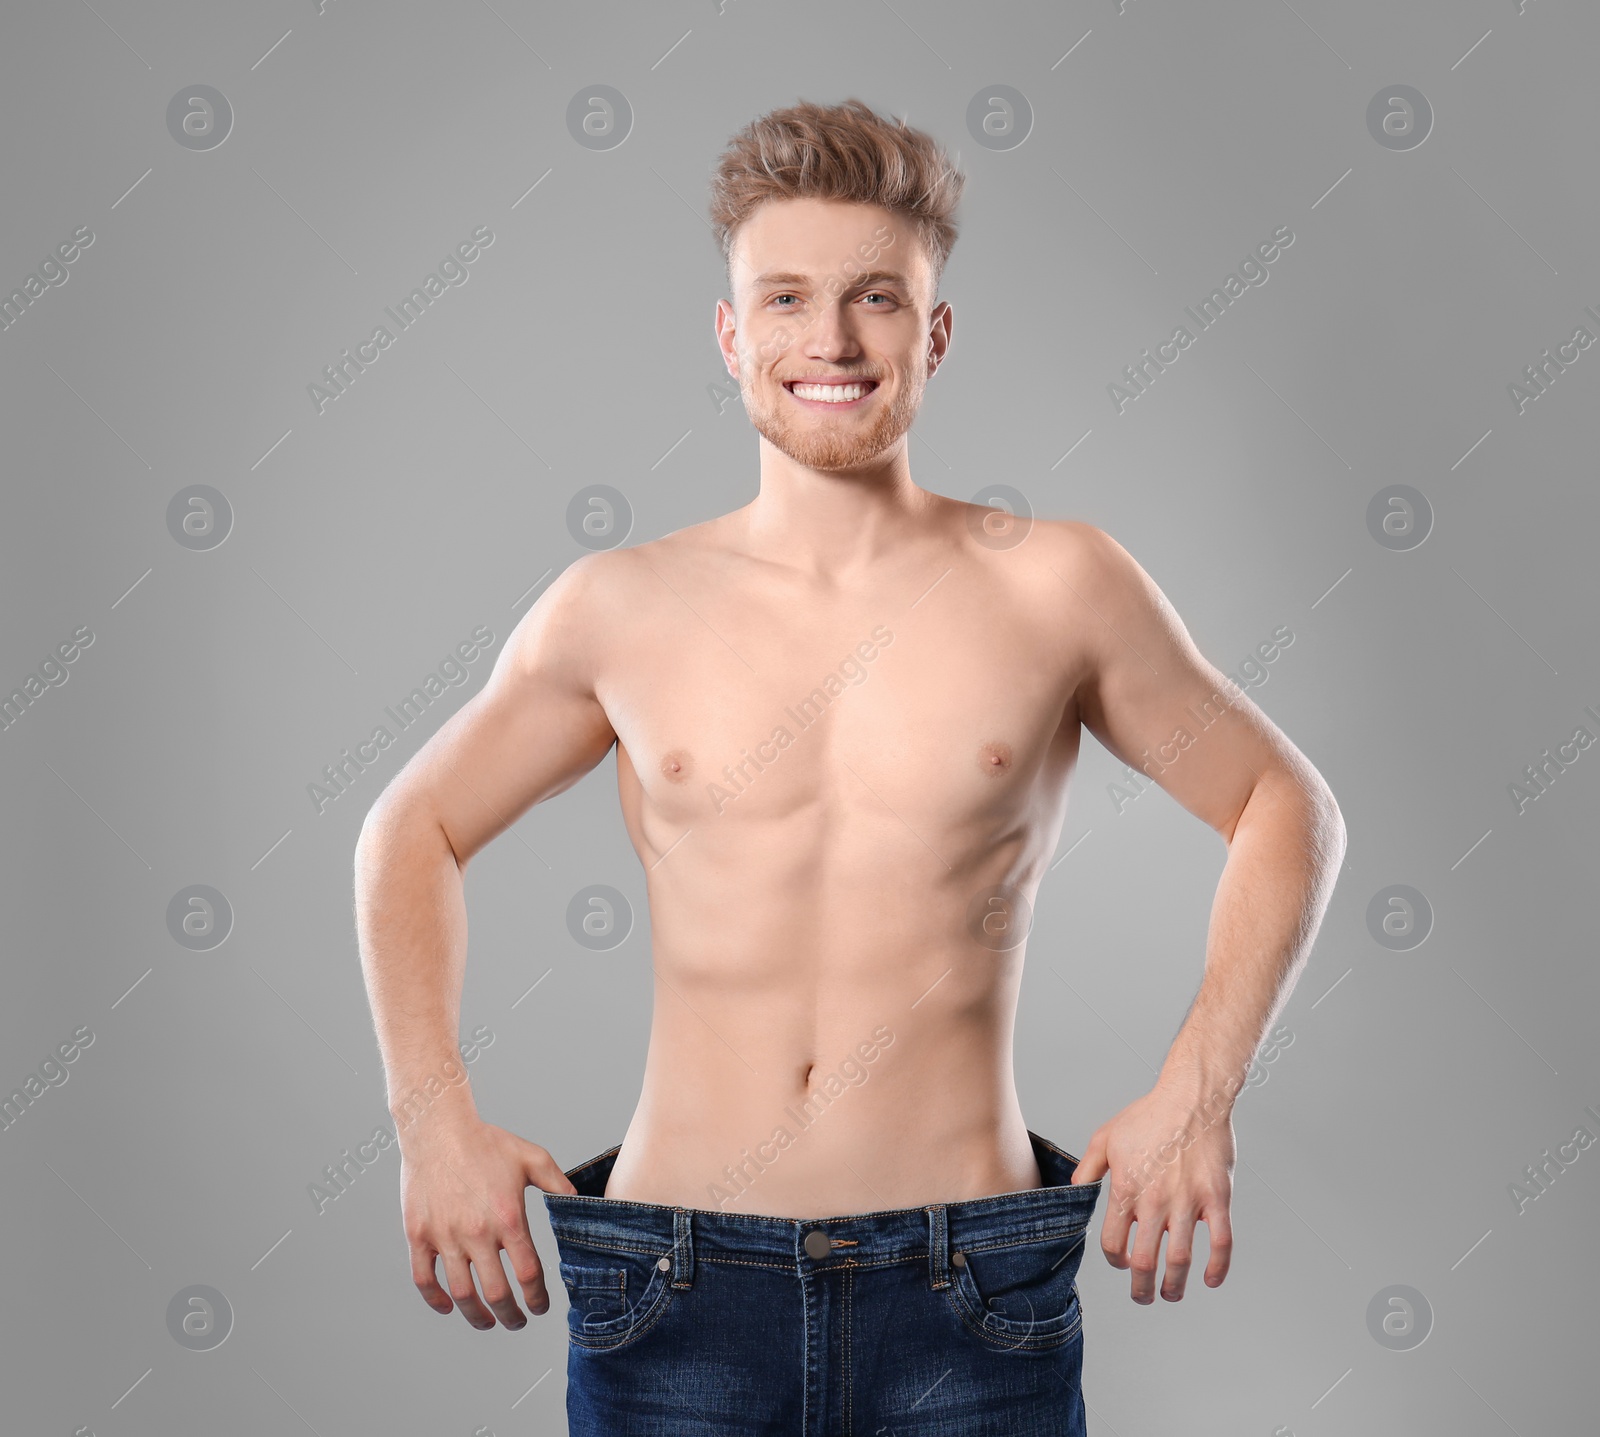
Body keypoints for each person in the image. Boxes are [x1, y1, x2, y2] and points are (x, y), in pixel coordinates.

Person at [354, 97, 1346, 1436]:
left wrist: (1198, 1085)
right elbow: (408, 829)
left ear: (934, 333)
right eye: (785, 299)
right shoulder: (618, 606)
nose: (829, 340)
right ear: (731, 335)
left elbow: (1285, 804)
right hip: (674, 1287)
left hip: (971, 1294)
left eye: (876, 298)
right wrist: (431, 1119)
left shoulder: (1058, 584)